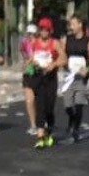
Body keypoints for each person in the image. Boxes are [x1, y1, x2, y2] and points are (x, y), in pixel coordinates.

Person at [25, 15, 60, 149]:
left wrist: (54, 64)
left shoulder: (55, 43)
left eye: (46, 29)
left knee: (49, 108)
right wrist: (31, 62)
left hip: (51, 78)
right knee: (40, 106)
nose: (44, 32)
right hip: (39, 77)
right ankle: (40, 137)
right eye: (42, 29)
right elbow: (30, 58)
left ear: (50, 30)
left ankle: (49, 131)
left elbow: (64, 58)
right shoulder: (35, 43)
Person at [60, 14, 89, 143]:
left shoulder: (87, 41)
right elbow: (61, 55)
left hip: (81, 78)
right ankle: (72, 118)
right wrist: (63, 64)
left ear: (80, 24)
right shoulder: (66, 39)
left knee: (79, 104)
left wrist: (88, 69)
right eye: (70, 24)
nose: (71, 27)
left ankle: (76, 129)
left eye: (73, 24)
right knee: (68, 106)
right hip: (69, 76)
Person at [19, 21, 37, 133]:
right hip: (28, 73)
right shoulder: (24, 42)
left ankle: (41, 121)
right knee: (29, 100)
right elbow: (21, 50)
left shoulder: (39, 43)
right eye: (29, 34)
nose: (31, 36)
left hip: (38, 73)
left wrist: (29, 60)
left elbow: (35, 56)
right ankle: (33, 124)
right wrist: (25, 59)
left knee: (39, 100)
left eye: (33, 34)